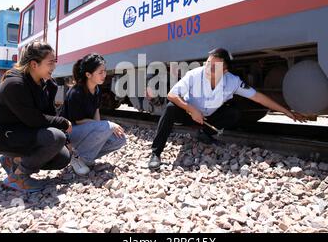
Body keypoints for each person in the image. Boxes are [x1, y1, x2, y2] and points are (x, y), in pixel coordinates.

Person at [148, 48, 308, 170]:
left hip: (208, 118)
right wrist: (190, 109)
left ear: (224, 71)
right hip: (189, 114)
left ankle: (206, 135)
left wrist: (287, 112)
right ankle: (155, 153)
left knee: (234, 113)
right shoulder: (193, 75)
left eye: (214, 67)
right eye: (208, 64)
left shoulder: (232, 82)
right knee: (170, 108)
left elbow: (258, 97)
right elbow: (171, 94)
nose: (208, 69)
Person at [0, 41, 73, 193]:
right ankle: (17, 178)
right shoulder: (15, 84)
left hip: (24, 131)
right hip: (3, 136)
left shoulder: (44, 84)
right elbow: (34, 119)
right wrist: (63, 123)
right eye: (50, 62)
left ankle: (13, 160)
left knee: (63, 157)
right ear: (34, 64)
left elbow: (48, 116)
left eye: (54, 62)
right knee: (56, 138)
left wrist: (51, 95)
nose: (54, 67)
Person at [62, 54, 127, 176]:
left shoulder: (96, 90)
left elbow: (96, 112)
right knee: (107, 127)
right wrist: (105, 126)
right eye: (100, 72)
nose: (104, 75)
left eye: (104, 71)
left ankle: (84, 158)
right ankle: (75, 157)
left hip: (85, 130)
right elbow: (79, 121)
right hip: (71, 133)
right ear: (88, 75)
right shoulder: (76, 92)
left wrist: (102, 129)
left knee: (120, 139)